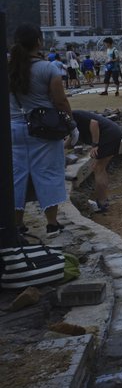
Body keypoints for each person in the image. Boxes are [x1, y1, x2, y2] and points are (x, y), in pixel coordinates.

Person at [9, 23, 73, 235]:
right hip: (43, 130)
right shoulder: (48, 68)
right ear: (38, 41)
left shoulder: (8, 67)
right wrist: (71, 125)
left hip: (13, 129)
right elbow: (60, 101)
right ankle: (52, 223)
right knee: (48, 174)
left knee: (16, 177)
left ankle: (17, 225)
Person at [71, 110, 122, 214]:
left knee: (98, 168)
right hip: (113, 133)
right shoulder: (72, 117)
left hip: (108, 135)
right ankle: (103, 200)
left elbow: (94, 123)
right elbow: (71, 138)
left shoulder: (73, 115)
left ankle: (102, 202)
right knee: (100, 168)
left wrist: (95, 145)